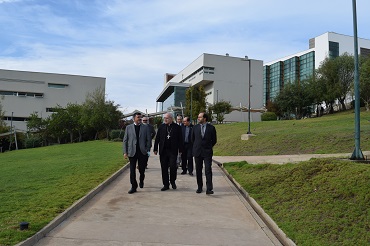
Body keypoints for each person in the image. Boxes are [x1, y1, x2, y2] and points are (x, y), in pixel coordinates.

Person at [153, 112, 183, 191]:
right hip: (163, 151)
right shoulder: (161, 127)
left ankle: (172, 181)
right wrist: (155, 149)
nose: (165, 119)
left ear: (171, 119)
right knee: (164, 168)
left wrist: (181, 149)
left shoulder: (177, 127)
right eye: (164, 118)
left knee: (173, 167)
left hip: (173, 151)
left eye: (167, 118)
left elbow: (180, 139)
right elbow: (157, 138)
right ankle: (166, 184)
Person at [123, 112, 152, 194]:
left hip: (142, 152)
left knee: (142, 169)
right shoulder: (128, 128)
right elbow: (125, 140)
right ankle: (133, 186)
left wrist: (147, 149)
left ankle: (141, 180)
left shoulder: (145, 127)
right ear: (134, 118)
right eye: (138, 117)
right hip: (132, 152)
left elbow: (149, 140)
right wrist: (125, 152)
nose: (139, 118)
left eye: (140, 117)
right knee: (132, 170)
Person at [192, 112, 217, 195]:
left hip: (207, 152)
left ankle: (209, 188)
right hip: (197, 152)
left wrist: (208, 147)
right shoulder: (195, 128)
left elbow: (214, 140)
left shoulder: (211, 128)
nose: (198, 118)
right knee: (198, 170)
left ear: (205, 118)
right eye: (198, 117)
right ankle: (199, 187)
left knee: (208, 170)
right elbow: (192, 139)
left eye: (200, 117)